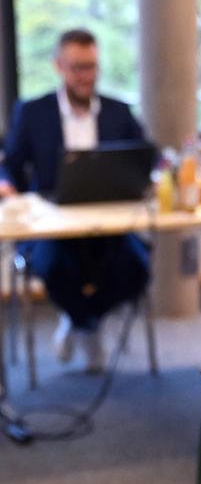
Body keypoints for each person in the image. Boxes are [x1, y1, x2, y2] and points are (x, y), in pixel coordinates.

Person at [0, 28, 150, 373]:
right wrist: (7, 187)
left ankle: (82, 320)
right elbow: (9, 165)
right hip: (51, 222)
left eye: (92, 67)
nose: (86, 76)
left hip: (108, 221)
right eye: (78, 67)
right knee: (53, 268)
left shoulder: (119, 112)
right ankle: (86, 324)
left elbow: (144, 158)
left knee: (137, 268)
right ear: (60, 66)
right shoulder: (33, 112)